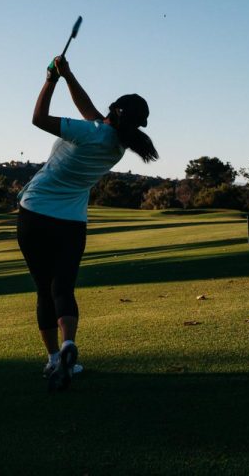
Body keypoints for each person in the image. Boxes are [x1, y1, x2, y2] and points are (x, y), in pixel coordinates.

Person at [17, 55, 158, 391]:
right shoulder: (118, 146)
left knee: (43, 290)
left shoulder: (88, 132)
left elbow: (38, 118)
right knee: (62, 289)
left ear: (113, 110)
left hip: (34, 215)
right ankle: (68, 346)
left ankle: (53, 359)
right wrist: (68, 75)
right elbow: (91, 114)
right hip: (71, 224)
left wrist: (50, 80)